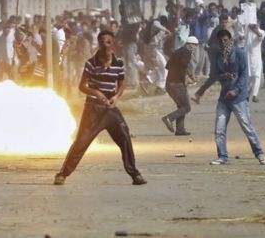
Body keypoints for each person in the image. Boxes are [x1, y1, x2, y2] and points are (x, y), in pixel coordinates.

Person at [54, 30, 147, 186]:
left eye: (108, 42)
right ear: (99, 44)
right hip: (93, 109)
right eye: (102, 42)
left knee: (124, 138)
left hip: (110, 109)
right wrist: (96, 93)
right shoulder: (91, 63)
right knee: (81, 142)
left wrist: (116, 97)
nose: (105, 45)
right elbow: (82, 86)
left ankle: (134, 174)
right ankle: (63, 173)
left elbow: (121, 84)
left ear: (113, 44)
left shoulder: (118, 64)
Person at [209, 29, 265, 165]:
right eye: (221, 41)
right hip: (224, 97)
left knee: (247, 126)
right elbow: (215, 75)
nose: (223, 43)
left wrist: (235, 90)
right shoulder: (218, 57)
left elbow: (244, 75)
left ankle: (259, 153)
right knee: (219, 128)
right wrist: (223, 77)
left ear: (230, 39)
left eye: (225, 40)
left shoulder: (239, 53)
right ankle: (222, 156)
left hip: (238, 97)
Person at [161, 36, 199, 136]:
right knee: (186, 107)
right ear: (190, 45)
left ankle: (180, 129)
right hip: (176, 84)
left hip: (170, 83)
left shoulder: (177, 51)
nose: (195, 48)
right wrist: (191, 75)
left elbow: (168, 66)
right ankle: (169, 118)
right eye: (195, 46)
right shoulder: (187, 52)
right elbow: (184, 64)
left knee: (181, 106)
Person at [193, 13, 230, 104]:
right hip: (215, 58)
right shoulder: (218, 31)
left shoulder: (222, 30)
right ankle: (226, 97)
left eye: (226, 22)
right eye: (223, 22)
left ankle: (198, 94)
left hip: (218, 57)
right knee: (223, 77)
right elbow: (212, 45)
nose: (225, 24)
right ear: (220, 22)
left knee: (213, 79)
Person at [245, 24, 265, 102]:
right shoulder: (248, 31)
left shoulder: (262, 32)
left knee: (257, 76)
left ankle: (254, 95)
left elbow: (259, 35)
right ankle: (246, 94)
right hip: (248, 56)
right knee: (248, 76)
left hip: (257, 58)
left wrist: (254, 29)